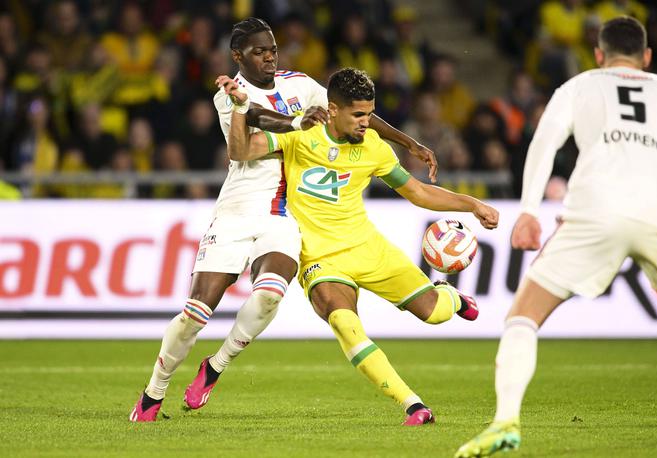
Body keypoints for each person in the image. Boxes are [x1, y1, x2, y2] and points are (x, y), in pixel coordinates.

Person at [130, 17, 438, 422]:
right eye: (260, 51)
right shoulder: (229, 96)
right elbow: (253, 125)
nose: (270, 57)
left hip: (283, 211)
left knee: (270, 293)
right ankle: (153, 394)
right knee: (197, 313)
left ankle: (215, 366)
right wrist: (294, 122)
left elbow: (348, 112)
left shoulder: (300, 83)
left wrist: (408, 142)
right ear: (238, 56)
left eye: (272, 49)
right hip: (239, 208)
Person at [455, 17, 657, 457]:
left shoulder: (580, 86)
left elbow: (543, 144)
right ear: (648, 57)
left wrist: (528, 212)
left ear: (598, 55)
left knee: (522, 317)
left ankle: (505, 421)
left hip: (594, 212)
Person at [225, 67, 499, 425]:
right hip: (320, 258)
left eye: (370, 114)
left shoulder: (374, 148)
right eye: (358, 115)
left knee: (435, 314)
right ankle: (413, 405)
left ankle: (452, 296)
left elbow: (417, 192)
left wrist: (472, 204)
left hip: (368, 247)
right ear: (332, 109)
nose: (366, 123)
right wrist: (239, 108)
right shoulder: (299, 135)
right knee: (343, 321)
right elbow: (241, 150)